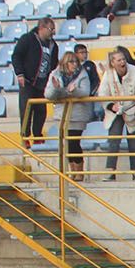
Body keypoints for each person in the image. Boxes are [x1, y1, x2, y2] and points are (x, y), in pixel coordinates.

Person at [98, 47, 135, 181]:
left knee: (133, 143)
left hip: (132, 109)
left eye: (123, 59)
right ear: (113, 63)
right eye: (119, 60)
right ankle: (110, 172)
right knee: (113, 141)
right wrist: (111, 106)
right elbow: (102, 94)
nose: (122, 62)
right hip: (115, 111)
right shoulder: (108, 74)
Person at [44, 51, 92, 181]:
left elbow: (85, 92)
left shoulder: (82, 75)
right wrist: (58, 89)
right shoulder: (55, 74)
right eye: (71, 62)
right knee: (67, 144)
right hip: (62, 114)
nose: (74, 64)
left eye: (76, 61)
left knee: (74, 141)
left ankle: (79, 172)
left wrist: (73, 91)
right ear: (64, 63)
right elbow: (48, 94)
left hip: (78, 115)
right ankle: (73, 171)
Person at [11, 17, 58, 149]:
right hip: (28, 82)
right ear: (41, 28)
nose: (53, 32)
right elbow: (16, 56)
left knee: (41, 111)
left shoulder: (53, 45)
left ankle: (37, 136)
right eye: (51, 29)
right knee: (26, 110)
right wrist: (20, 73)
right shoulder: (28, 39)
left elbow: (54, 64)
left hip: (43, 83)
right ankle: (25, 136)